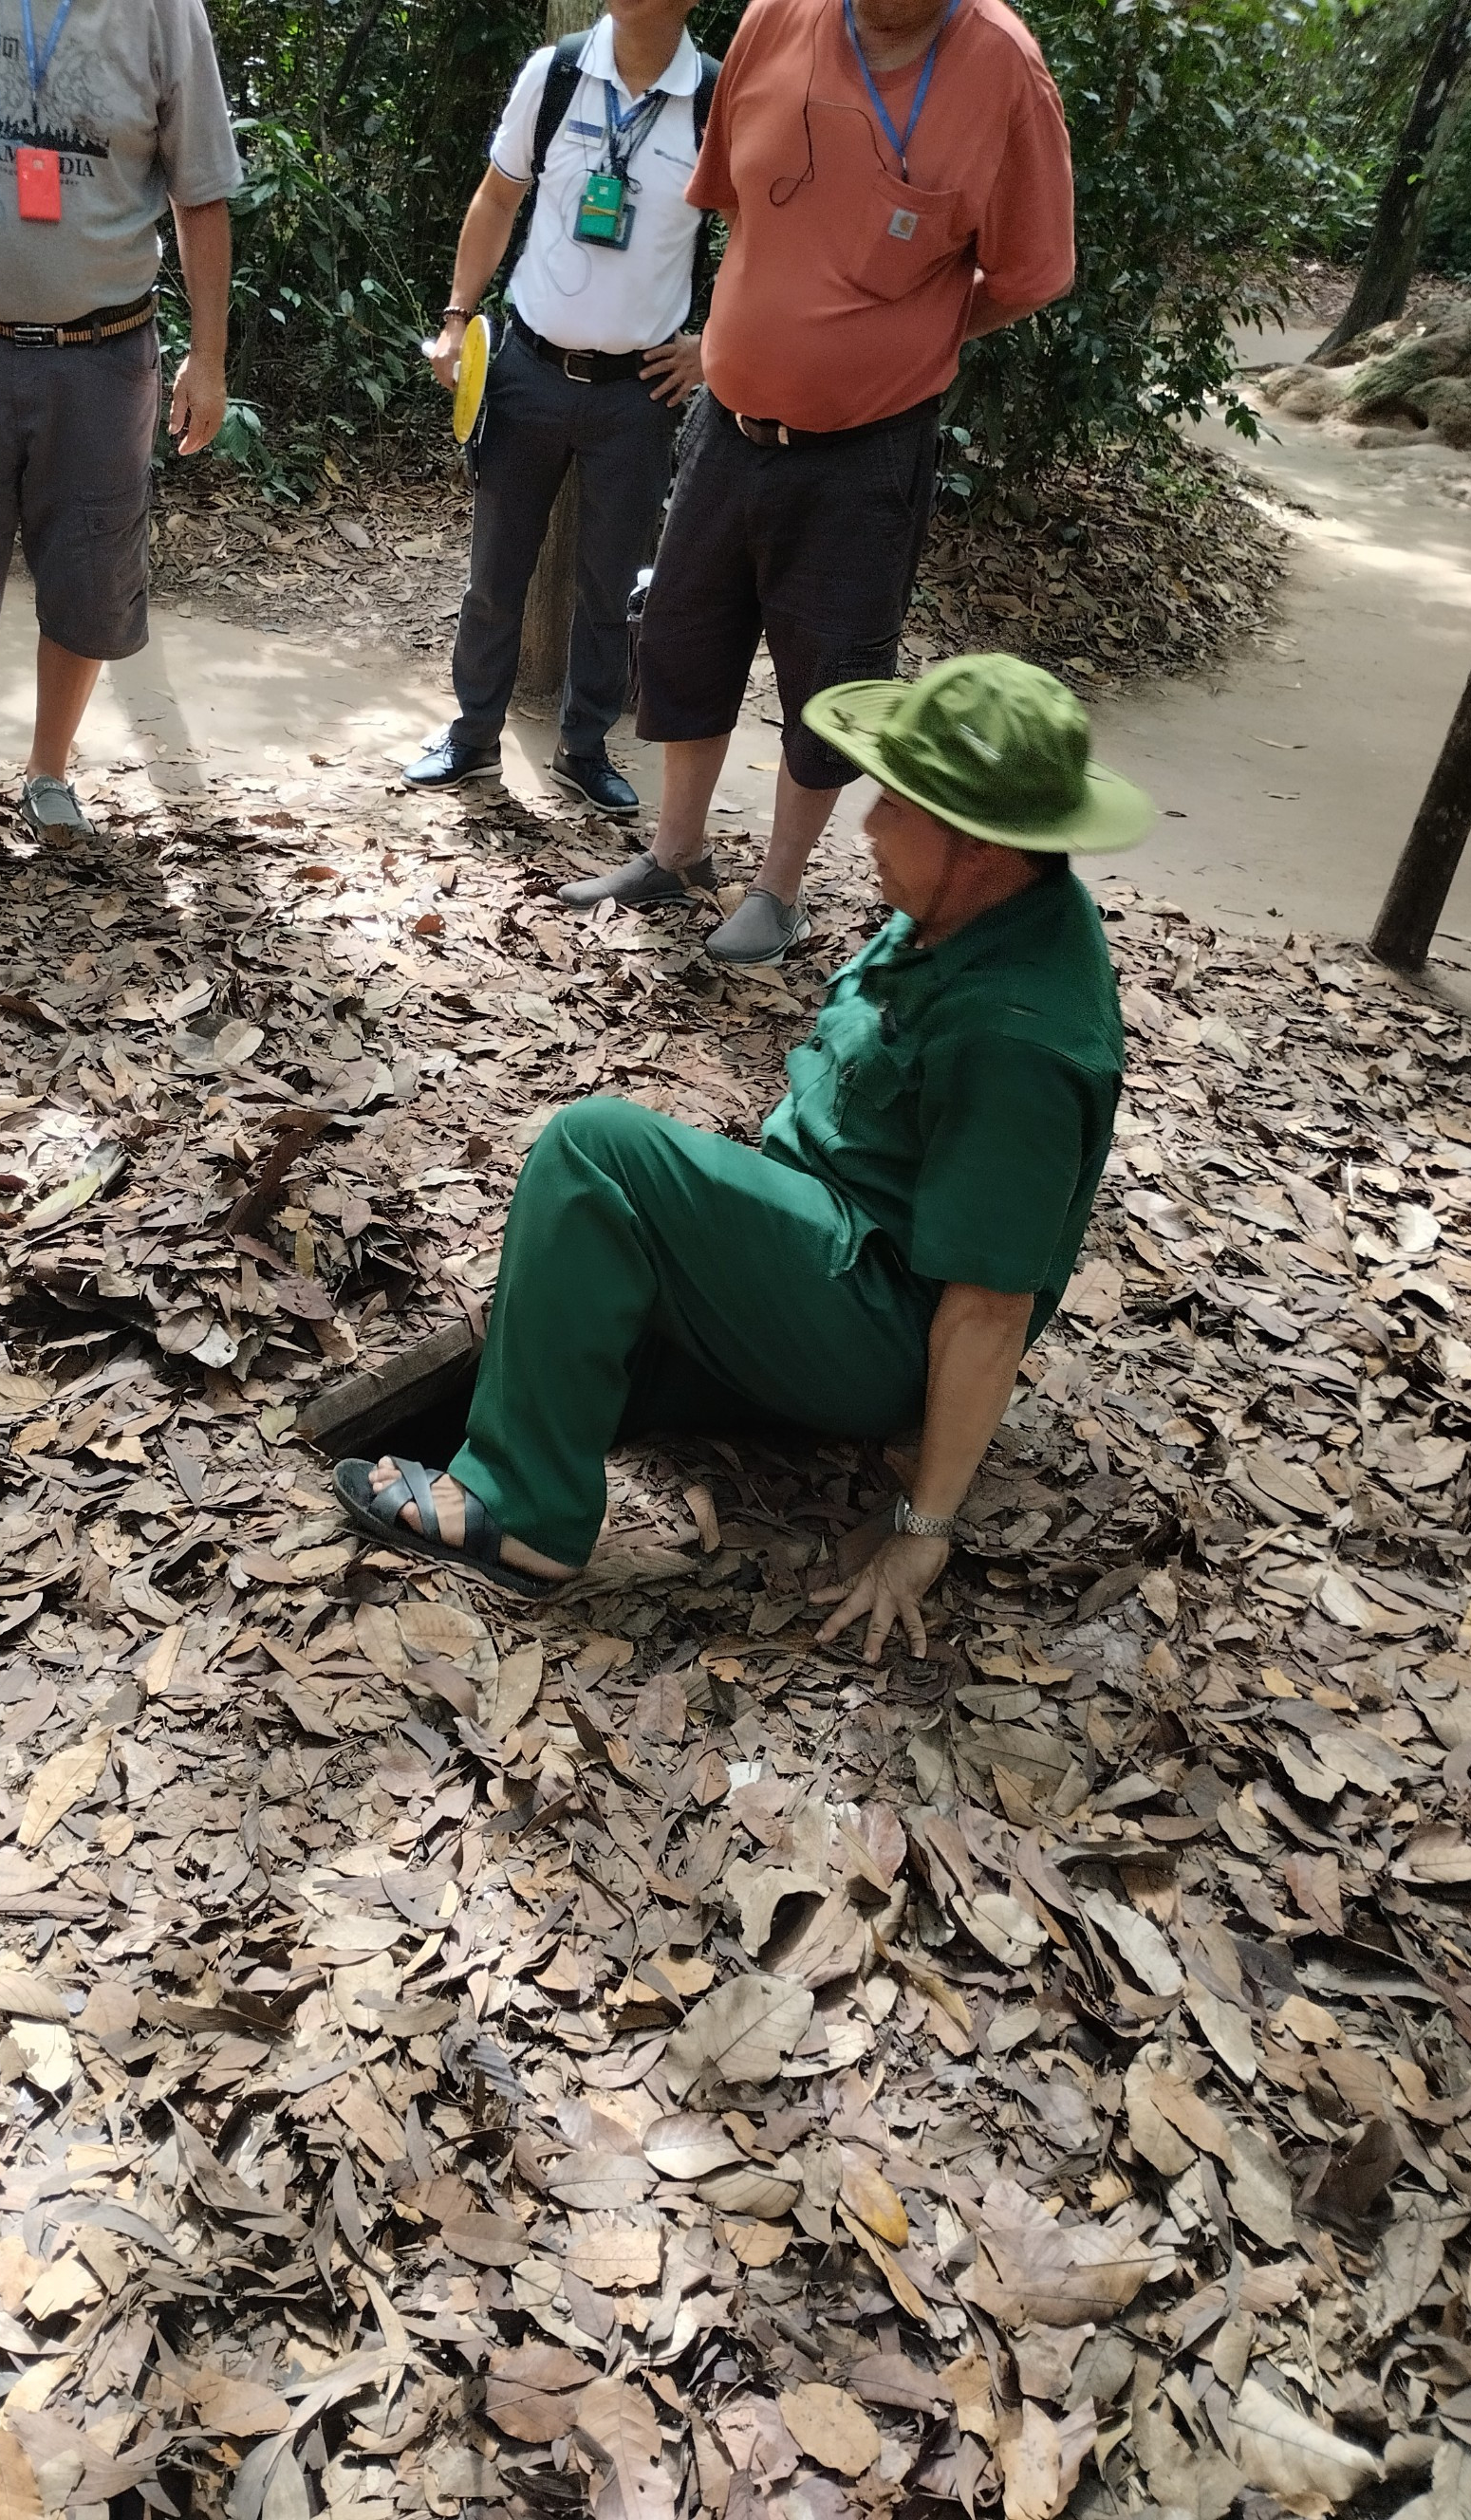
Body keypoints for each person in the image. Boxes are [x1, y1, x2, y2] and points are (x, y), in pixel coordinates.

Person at [337, 656, 1149, 1657]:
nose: (867, 826)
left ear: (978, 841)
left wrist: (921, 1531)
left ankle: (521, 1513)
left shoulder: (1019, 1039)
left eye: (894, 803)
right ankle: (528, 1427)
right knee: (587, 1302)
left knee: (597, 1149)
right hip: (825, 1252)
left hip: (880, 1326)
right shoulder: (974, 915)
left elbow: (988, 1308)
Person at [560, 0, 1075, 965]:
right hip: (728, 421)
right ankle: (676, 855)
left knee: (829, 670)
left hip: (867, 445)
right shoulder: (772, 20)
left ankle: (778, 891)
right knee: (681, 630)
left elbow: (1029, 272)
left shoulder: (1002, 66)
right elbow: (731, 197)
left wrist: (908, 335)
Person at [0, 0, 242, 851]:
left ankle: (49, 774)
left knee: (91, 559)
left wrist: (207, 358)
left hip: (102, 348)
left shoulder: (166, 12)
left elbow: (201, 190)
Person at [401, 0, 718, 821]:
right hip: (528, 371)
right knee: (495, 576)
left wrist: (710, 344)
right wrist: (456, 315)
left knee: (609, 586)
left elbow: (754, 229)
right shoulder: (559, 73)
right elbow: (497, 196)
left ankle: (584, 749)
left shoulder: (718, 98)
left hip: (640, 393)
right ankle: (473, 737)